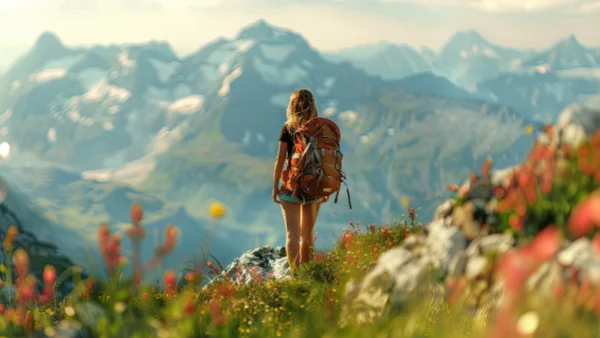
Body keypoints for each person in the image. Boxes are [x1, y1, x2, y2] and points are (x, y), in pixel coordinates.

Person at [272, 88, 327, 270]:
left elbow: (280, 160)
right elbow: (325, 160)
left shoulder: (288, 128)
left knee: (292, 235)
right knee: (308, 235)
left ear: (292, 106)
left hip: (291, 185)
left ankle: (296, 275)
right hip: (314, 185)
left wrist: (275, 187)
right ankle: (308, 273)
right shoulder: (320, 128)